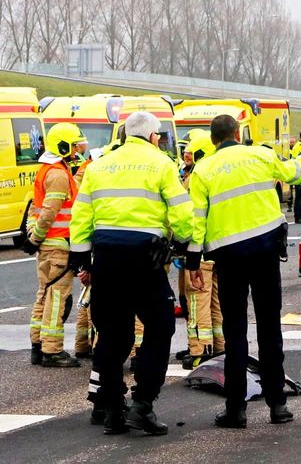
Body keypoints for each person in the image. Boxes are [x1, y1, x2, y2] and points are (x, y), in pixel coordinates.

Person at [70, 111, 193, 436]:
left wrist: (80, 255)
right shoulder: (161, 163)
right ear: (154, 137)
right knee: (160, 326)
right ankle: (143, 404)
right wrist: (182, 242)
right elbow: (181, 210)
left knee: (112, 335)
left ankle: (112, 410)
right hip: (145, 260)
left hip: (107, 258)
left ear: (124, 134)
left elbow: (81, 212)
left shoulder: (99, 166)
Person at [187, 114, 301, 428]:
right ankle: (278, 405)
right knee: (270, 329)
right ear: (236, 133)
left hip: (229, 257)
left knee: (235, 333)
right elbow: (296, 173)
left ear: (214, 139)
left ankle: (236, 410)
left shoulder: (203, 170)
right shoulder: (260, 154)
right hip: (265, 251)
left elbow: (197, 219)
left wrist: (192, 261)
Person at [24, 123, 88, 368]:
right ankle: (52, 350)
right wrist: (35, 237)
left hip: (48, 245)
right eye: (73, 146)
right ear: (63, 146)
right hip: (58, 244)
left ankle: (38, 345)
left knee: (44, 293)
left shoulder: (46, 170)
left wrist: (33, 237)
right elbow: (49, 212)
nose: (77, 151)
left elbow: (35, 208)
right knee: (58, 297)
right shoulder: (59, 175)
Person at [179, 132, 223, 369]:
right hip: (217, 250)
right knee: (215, 301)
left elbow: (188, 217)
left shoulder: (196, 178)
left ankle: (199, 350)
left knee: (196, 301)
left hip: (199, 250)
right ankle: (220, 345)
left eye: (190, 153)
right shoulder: (219, 176)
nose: (187, 158)